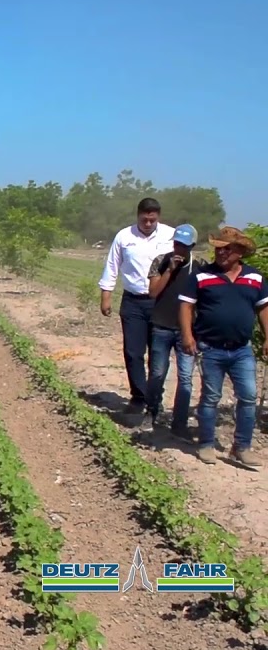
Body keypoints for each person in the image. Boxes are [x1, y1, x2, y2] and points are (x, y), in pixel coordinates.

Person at [178, 226, 267, 469]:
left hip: (242, 350)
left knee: (248, 397)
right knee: (210, 398)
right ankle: (206, 444)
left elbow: (263, 309)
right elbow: (186, 306)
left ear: (239, 251)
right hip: (211, 349)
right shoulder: (201, 276)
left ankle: (242, 447)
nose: (221, 252)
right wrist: (187, 335)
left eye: (227, 249)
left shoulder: (255, 278)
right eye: (218, 248)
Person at [97, 197, 176, 415]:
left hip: (161, 302)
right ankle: (138, 396)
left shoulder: (171, 236)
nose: (148, 224)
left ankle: (154, 399)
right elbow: (112, 266)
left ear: (158, 216)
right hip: (132, 301)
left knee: (158, 355)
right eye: (144, 220)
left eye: (152, 220)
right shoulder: (124, 236)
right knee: (133, 352)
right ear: (138, 216)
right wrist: (106, 296)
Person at [142, 223, 205, 436]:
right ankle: (151, 411)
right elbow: (153, 292)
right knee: (158, 373)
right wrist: (169, 270)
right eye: (177, 244)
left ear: (192, 245)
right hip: (161, 325)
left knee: (185, 378)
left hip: (186, 331)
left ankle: (179, 423)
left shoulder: (200, 266)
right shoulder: (161, 261)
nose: (180, 249)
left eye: (184, 246)